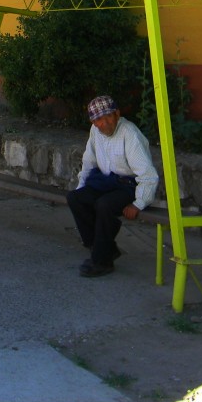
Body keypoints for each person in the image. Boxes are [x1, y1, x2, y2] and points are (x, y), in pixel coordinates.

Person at [67, 95, 160, 278]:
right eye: (98, 119)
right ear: (93, 122)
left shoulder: (129, 133)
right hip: (106, 182)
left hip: (129, 186)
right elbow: (88, 162)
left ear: (117, 114)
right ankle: (104, 248)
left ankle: (102, 261)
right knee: (75, 198)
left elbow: (148, 174)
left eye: (108, 116)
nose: (105, 123)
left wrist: (139, 203)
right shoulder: (95, 131)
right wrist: (81, 188)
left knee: (104, 205)